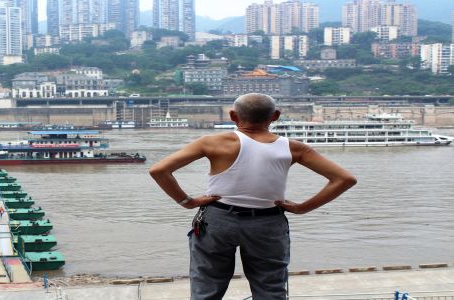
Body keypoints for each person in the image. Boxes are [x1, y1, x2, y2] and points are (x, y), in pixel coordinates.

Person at [149, 93, 357, 300]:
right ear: (275, 116)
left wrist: (188, 202)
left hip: (218, 220)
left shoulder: (212, 142)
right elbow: (344, 179)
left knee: (207, 286)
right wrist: (303, 208)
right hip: (268, 223)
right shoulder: (294, 148)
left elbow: (159, 170)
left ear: (233, 116)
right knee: (270, 288)